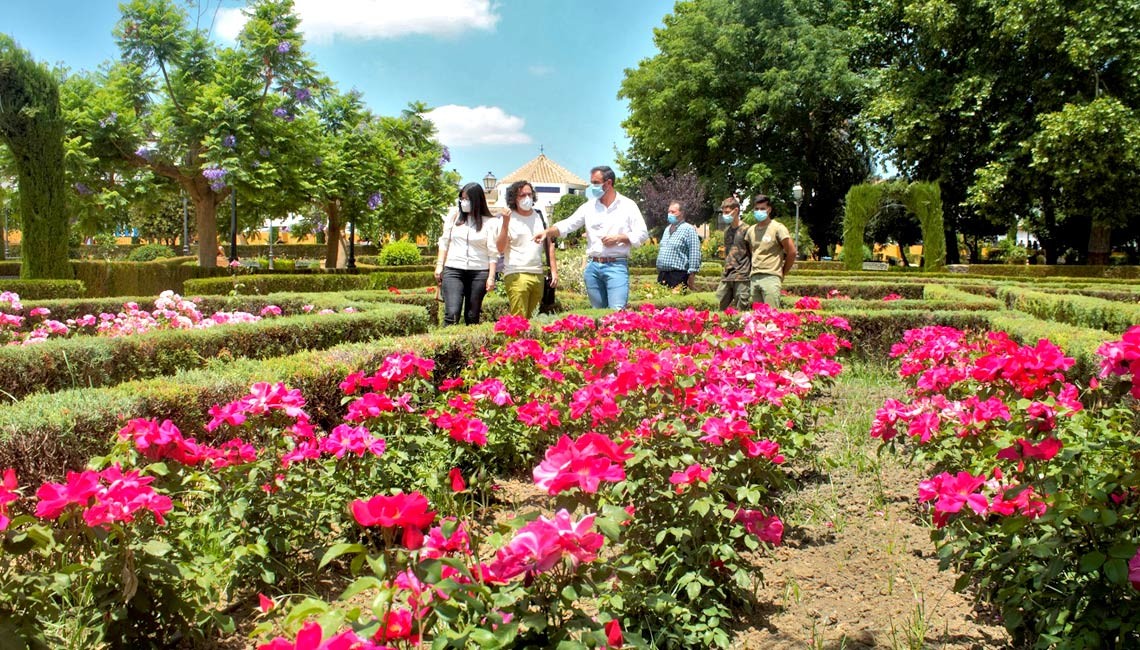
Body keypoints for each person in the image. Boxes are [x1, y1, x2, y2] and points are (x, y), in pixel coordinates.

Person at [534, 165, 648, 309]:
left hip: (616, 265)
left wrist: (620, 238)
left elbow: (643, 234)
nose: (593, 187)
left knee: (617, 312)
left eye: (596, 183)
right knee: (598, 313)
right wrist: (547, 232)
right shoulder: (589, 207)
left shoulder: (628, 205)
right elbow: (568, 224)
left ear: (609, 183)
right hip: (593, 267)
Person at [434, 183, 498, 325]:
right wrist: (439, 265)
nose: (464, 202)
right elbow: (444, 242)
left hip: (479, 272)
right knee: (452, 313)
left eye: (468, 199)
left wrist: (491, 277)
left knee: (472, 315)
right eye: (462, 199)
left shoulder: (490, 222)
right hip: (454, 269)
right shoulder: (454, 217)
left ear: (477, 200)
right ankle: (446, 344)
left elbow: (493, 252)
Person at [496, 180, 558, 317]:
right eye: (522, 195)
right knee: (519, 319)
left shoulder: (540, 215)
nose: (527, 198)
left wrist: (553, 270)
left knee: (534, 318)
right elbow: (500, 248)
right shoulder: (507, 218)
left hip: (537, 273)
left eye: (529, 194)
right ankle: (515, 339)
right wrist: (505, 224)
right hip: (516, 273)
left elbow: (549, 243)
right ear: (514, 198)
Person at [742, 194, 796, 309]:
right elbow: (751, 252)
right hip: (755, 277)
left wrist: (783, 272)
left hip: (771, 277)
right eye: (756, 209)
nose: (759, 211)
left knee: (771, 318)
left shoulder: (778, 228)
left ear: (769, 209)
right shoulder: (751, 231)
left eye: (762, 209)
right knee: (756, 318)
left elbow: (792, 252)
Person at [655, 201, 701, 290]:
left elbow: (694, 253)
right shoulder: (667, 229)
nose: (669, 214)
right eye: (669, 212)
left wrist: (692, 275)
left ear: (681, 213)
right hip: (663, 274)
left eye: (673, 212)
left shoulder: (688, 229)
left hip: (678, 275)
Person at [715, 196, 751, 310]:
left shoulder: (747, 230)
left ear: (735, 210)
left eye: (727, 212)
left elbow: (752, 252)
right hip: (727, 276)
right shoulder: (727, 231)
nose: (724, 215)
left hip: (742, 277)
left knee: (741, 311)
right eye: (723, 212)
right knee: (717, 306)